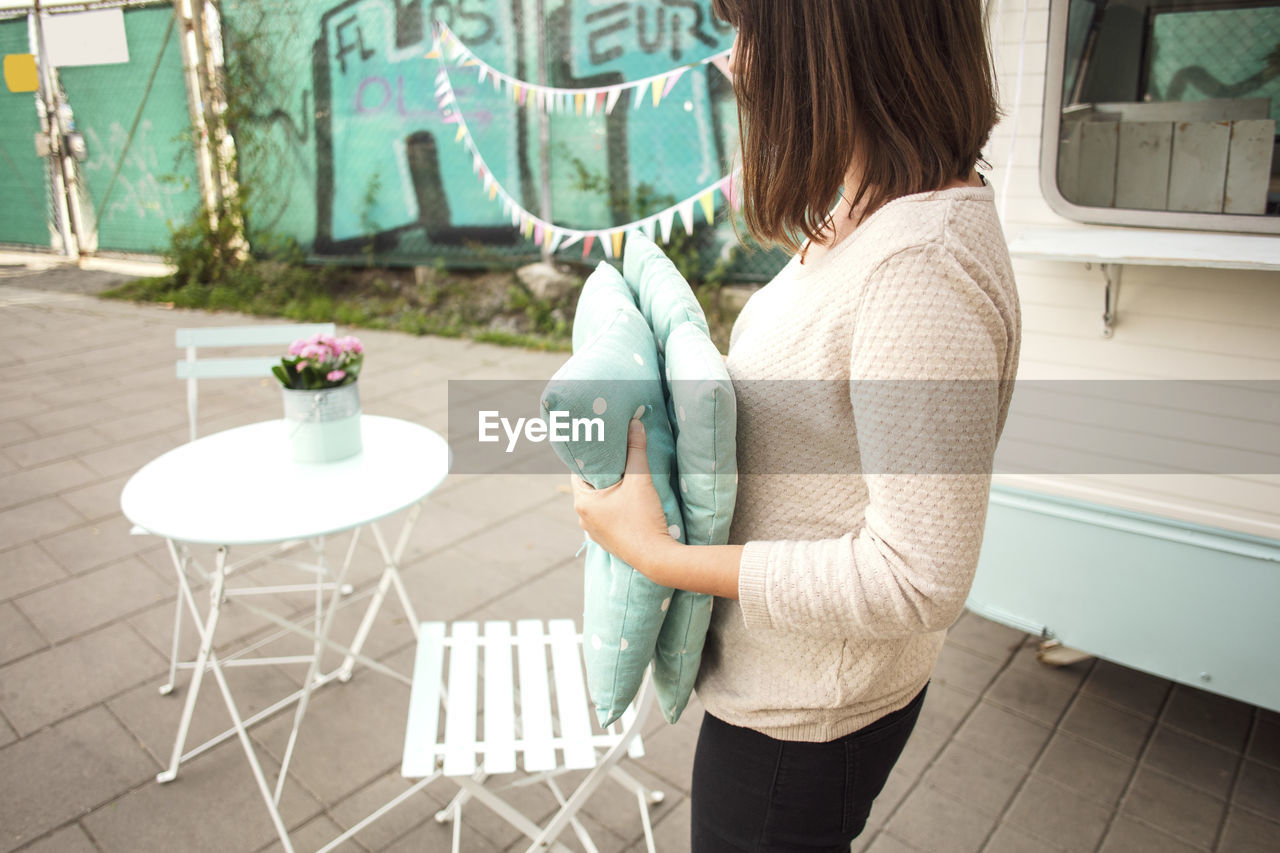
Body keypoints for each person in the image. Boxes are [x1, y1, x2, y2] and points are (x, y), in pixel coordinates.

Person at [571, 1, 1021, 849]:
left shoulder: (919, 269)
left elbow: (919, 577)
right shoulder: (880, 206)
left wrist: (659, 556)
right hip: (799, 688)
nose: (732, 63)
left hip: (802, 718)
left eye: (751, 33)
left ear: (837, 41)